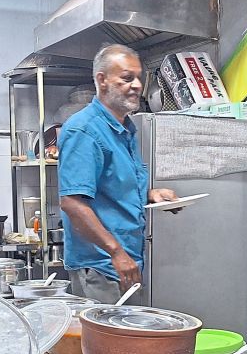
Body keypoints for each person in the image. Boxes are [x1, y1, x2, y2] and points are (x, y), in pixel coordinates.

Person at [58, 44, 178, 302]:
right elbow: (72, 203)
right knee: (107, 342)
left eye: (138, 78)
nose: (136, 85)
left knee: (130, 341)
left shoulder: (125, 129)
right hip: (101, 266)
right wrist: (116, 253)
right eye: (126, 78)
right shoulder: (84, 130)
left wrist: (150, 195)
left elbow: (111, 190)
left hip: (126, 261)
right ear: (102, 80)